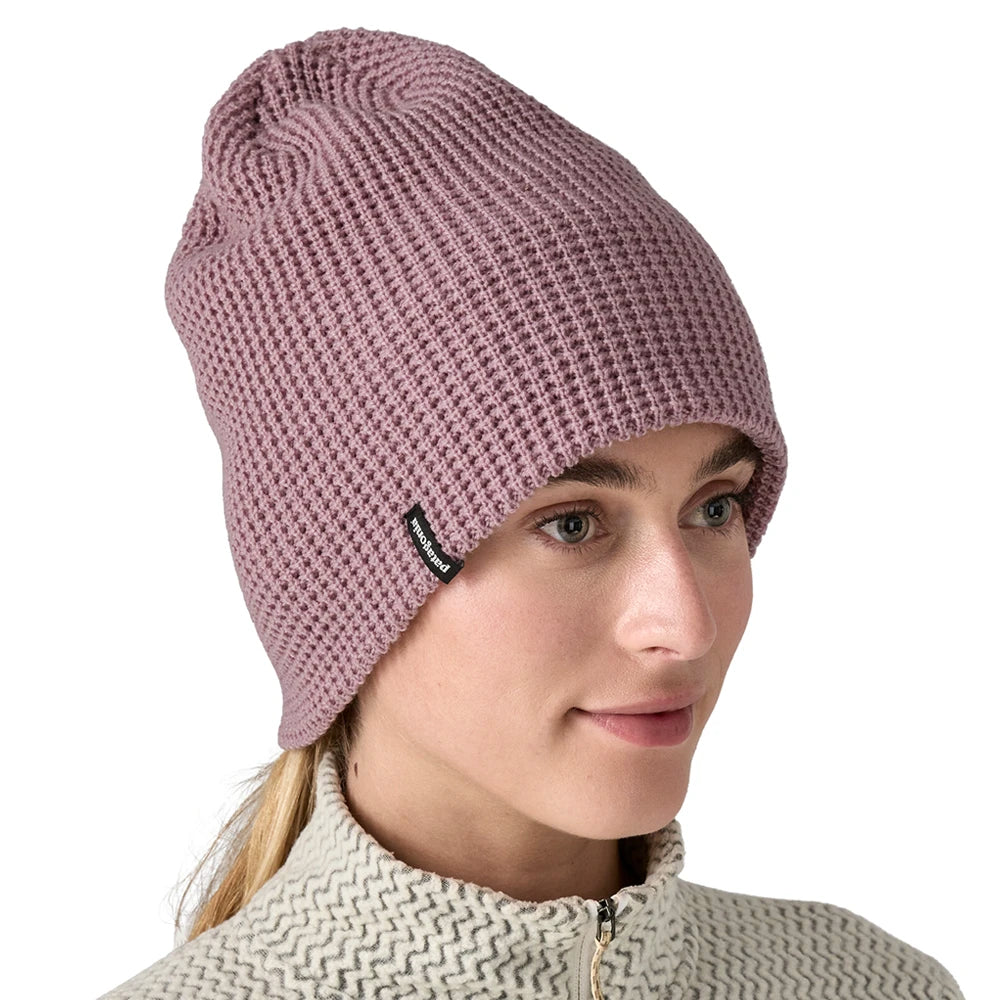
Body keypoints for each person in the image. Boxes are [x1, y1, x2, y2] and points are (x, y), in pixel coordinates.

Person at [98, 26, 965, 1000]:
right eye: (571, 523)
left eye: (715, 507)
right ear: (342, 585)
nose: (684, 625)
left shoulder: (870, 983)